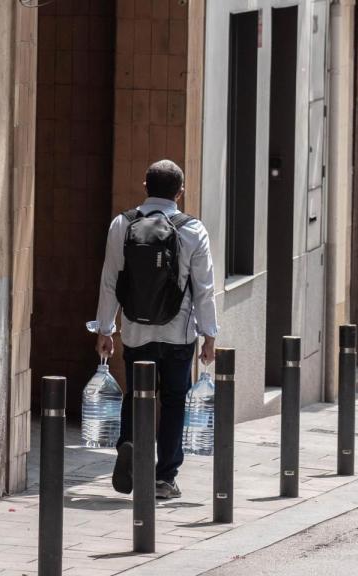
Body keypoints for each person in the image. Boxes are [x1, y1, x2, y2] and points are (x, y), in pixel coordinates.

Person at [94, 159, 217, 499]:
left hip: (136, 330)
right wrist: (210, 336)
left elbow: (109, 281)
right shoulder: (193, 230)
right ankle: (165, 477)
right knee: (175, 400)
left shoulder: (122, 224)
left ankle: (130, 445)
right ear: (181, 192)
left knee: (137, 394)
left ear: (145, 187)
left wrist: (105, 329)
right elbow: (204, 288)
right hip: (179, 334)